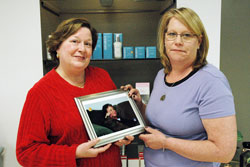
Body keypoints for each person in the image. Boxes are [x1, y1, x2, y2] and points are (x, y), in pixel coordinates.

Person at [122, 7, 237, 167]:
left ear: (199, 41)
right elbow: (163, 119)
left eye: (186, 35)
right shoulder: (162, 75)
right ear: (164, 39)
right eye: (172, 34)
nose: (178, 41)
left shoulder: (211, 82)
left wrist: (166, 143)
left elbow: (224, 152)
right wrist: (139, 105)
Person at [16, 18, 133, 167]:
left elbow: (110, 124)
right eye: (75, 41)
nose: (82, 49)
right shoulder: (40, 93)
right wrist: (75, 152)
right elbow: (26, 153)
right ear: (57, 47)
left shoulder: (102, 77)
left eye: (88, 44)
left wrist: (120, 137)